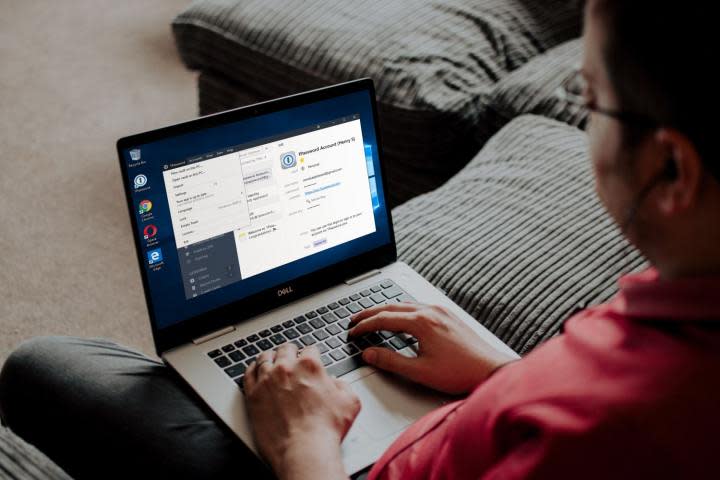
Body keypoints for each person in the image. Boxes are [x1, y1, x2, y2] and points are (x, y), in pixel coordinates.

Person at [2, 0, 720, 478]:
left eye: (589, 101)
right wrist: (502, 376)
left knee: (46, 364)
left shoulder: (639, 421)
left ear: (672, 169)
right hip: (457, 417)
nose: (580, 121)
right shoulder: (683, 292)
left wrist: (304, 441)